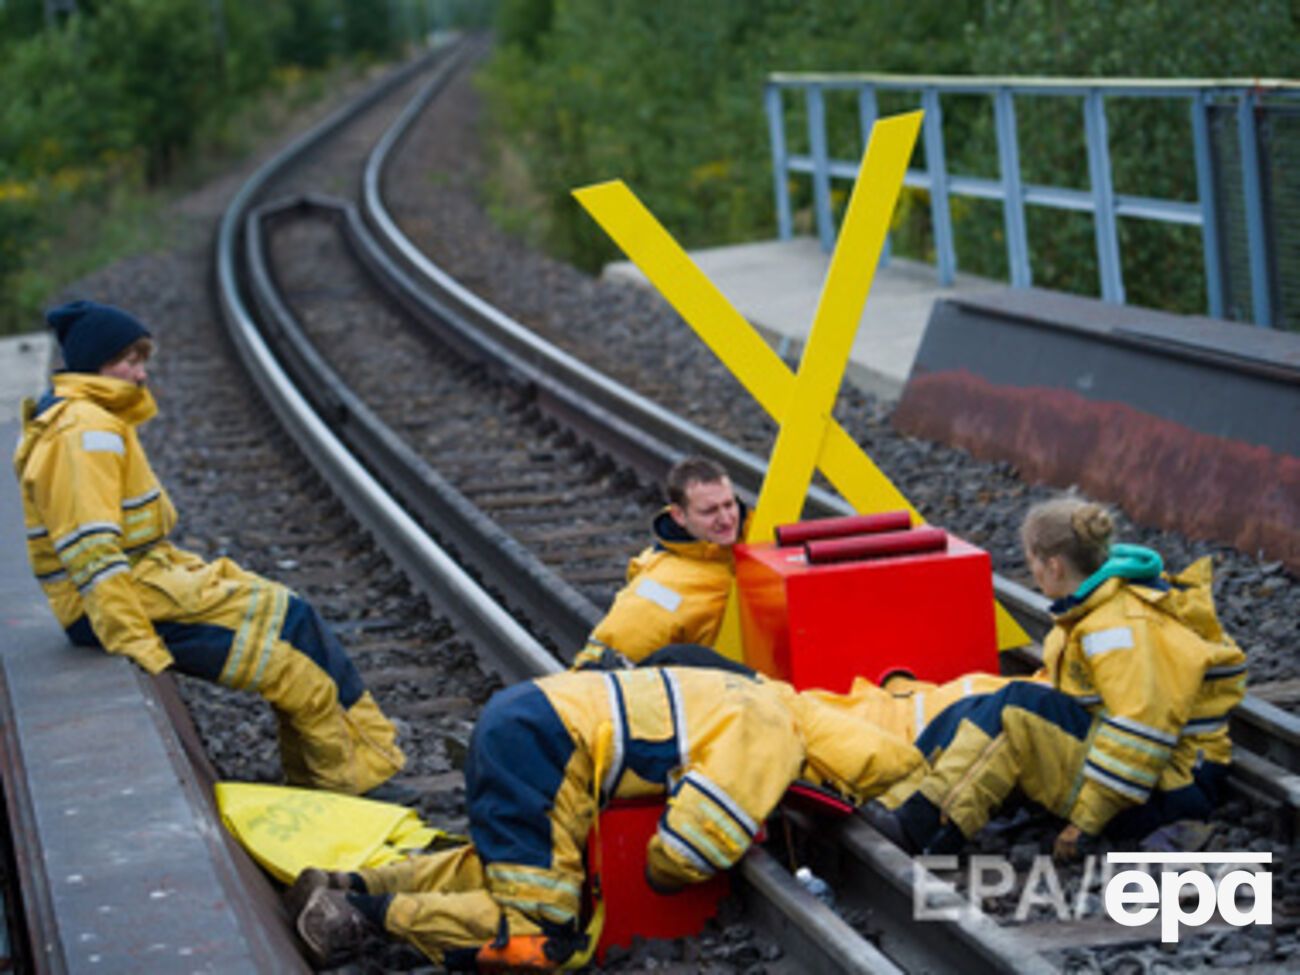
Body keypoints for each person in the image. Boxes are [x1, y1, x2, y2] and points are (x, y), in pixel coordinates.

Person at [13, 300, 406, 797]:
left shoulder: (96, 420)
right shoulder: (83, 433)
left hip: (148, 581)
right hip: (118, 604)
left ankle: (345, 773)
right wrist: (135, 640)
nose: (140, 373)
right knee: (291, 664)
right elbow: (92, 552)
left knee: (293, 614)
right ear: (94, 363)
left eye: (141, 360)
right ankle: (352, 788)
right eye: (127, 362)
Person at [284, 664, 924, 969]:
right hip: (548, 750)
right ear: (837, 769)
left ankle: (352, 884)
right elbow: (683, 853)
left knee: (506, 867)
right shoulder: (776, 734)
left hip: (529, 719)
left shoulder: (762, 694)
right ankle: (360, 919)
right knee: (549, 935)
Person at [863, 496, 1247, 860]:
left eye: (1032, 560)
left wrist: (1085, 822)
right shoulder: (1097, 605)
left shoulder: (1122, 626)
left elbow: (1140, 734)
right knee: (977, 708)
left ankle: (919, 827)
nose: (1031, 571)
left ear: (1055, 566)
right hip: (1148, 780)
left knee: (1014, 713)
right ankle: (898, 801)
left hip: (1168, 791)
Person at [573, 456, 747, 670]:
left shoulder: (760, 532)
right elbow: (601, 663)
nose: (727, 518)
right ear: (679, 516)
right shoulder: (663, 587)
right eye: (709, 511)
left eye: (729, 504)